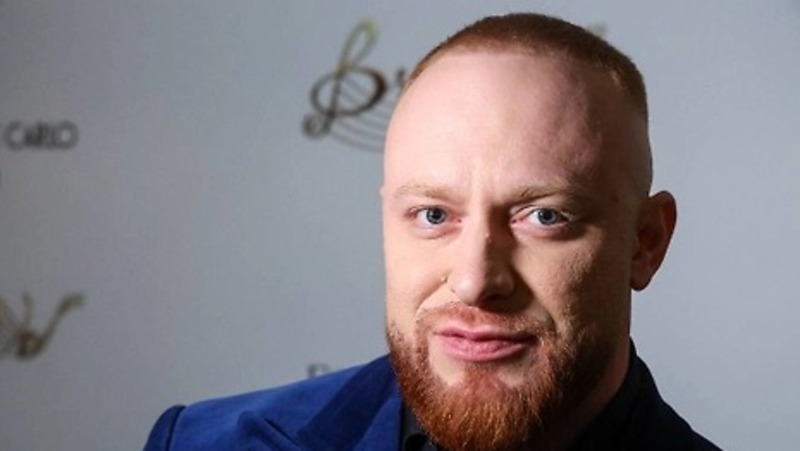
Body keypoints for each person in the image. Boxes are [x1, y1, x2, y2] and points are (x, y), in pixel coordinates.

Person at [145, 12, 721, 451]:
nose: (474, 281)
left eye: (544, 216)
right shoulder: (201, 442)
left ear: (646, 242)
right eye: (433, 215)